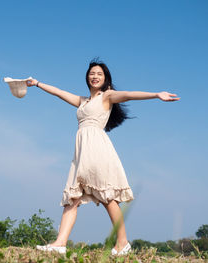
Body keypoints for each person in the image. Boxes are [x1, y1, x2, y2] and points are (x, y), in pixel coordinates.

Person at [26, 58, 180, 256]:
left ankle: (123, 242)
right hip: (81, 153)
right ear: (87, 78)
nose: (95, 76)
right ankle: (60, 243)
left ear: (105, 78)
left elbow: (128, 95)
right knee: (72, 197)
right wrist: (37, 83)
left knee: (107, 195)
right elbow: (59, 92)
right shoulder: (83, 101)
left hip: (98, 149)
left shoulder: (107, 96)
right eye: (92, 73)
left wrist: (156, 95)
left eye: (99, 74)